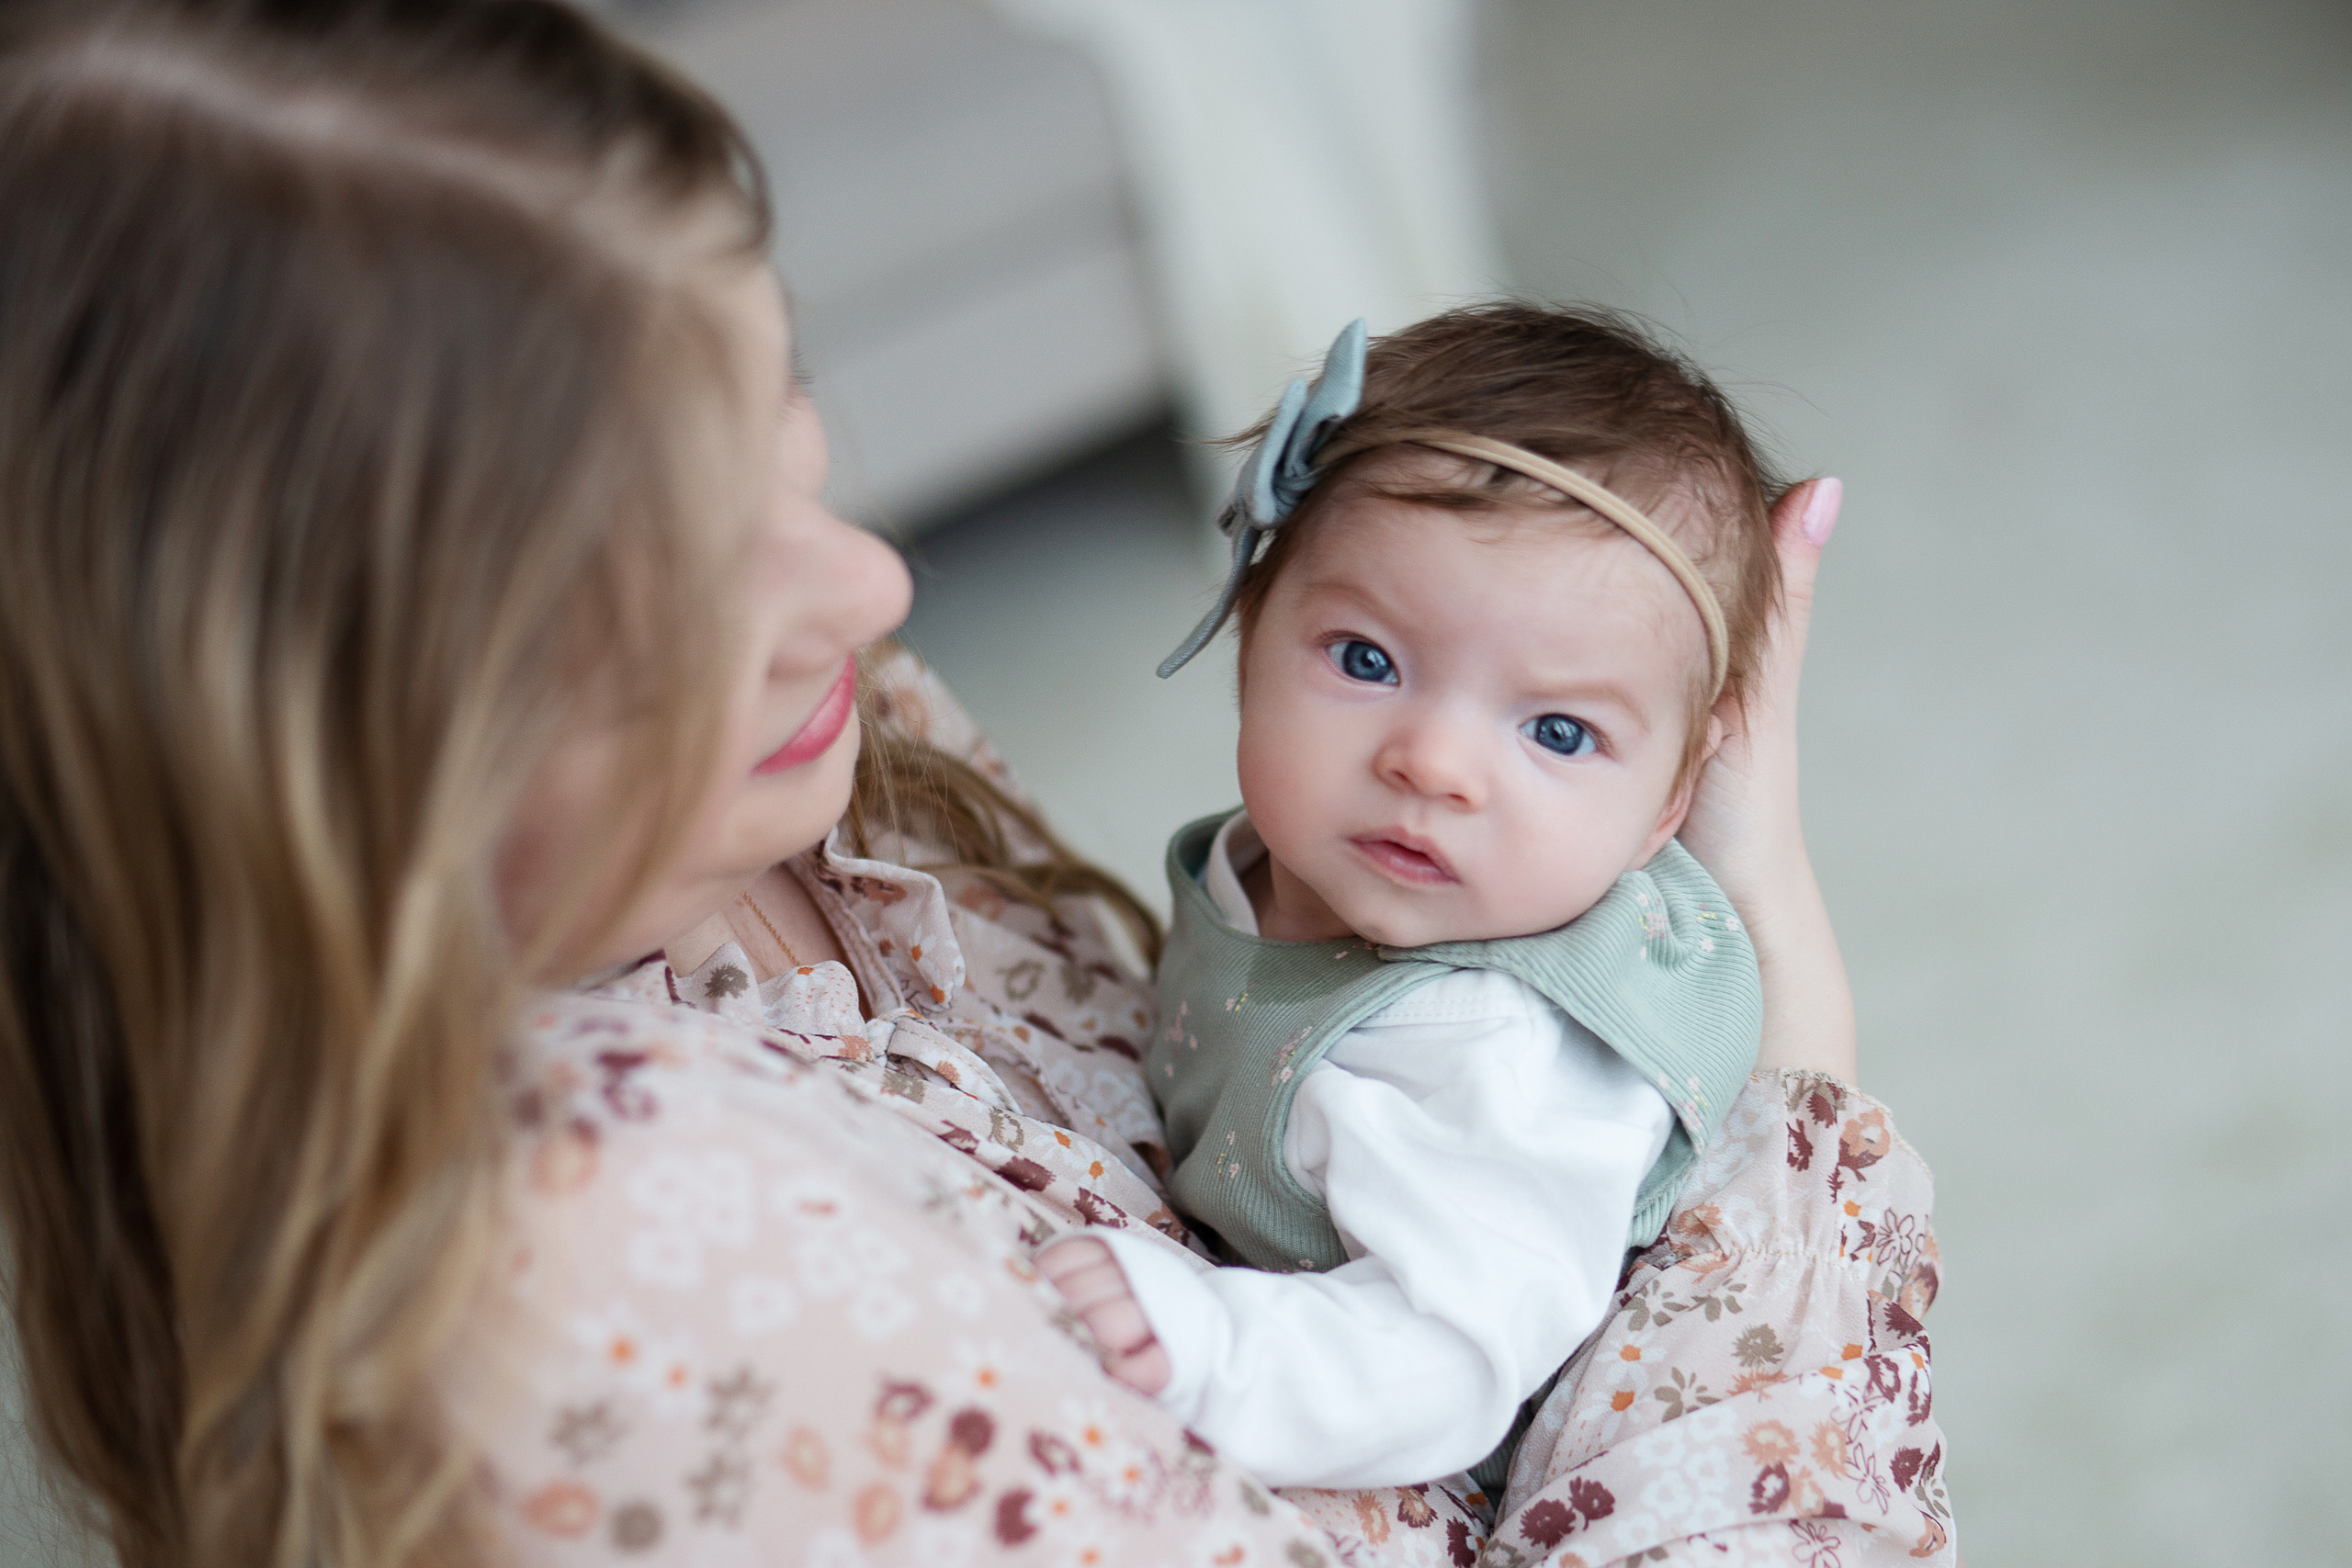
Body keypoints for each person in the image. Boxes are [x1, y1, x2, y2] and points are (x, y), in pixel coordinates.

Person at [0, 2, 1950, 1565]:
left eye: (773, 398)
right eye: (638, 572)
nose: (867, 580)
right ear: (289, 738)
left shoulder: (818, 743)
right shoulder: (620, 1268)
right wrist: (1792, 1035)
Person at [1034, 305, 1781, 1495]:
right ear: (1250, 636)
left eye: (1557, 730)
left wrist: (1211, 1347)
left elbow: (1450, 1364)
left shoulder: (1486, 1054)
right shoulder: (1293, 856)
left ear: (1665, 811)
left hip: (1423, 1459)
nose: (1433, 763)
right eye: (1367, 661)